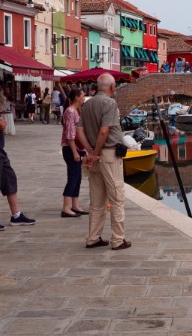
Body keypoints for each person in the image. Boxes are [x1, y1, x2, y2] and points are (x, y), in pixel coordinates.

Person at [77, 73, 131, 250]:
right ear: (112, 87)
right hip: (109, 155)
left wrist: (90, 151)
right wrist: (96, 152)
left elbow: (79, 131)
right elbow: (104, 131)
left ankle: (93, 237)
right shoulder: (110, 103)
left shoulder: (87, 104)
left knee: (97, 200)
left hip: (95, 156)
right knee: (116, 198)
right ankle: (118, 239)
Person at [0, 78, 35, 231]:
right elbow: (0, 124)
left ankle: (16, 215)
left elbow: (1, 123)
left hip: (0, 149)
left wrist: (1, 123)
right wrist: (1, 123)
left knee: (10, 178)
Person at [60, 88, 88, 218]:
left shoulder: (75, 111)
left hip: (77, 148)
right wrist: (75, 152)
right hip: (71, 148)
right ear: (77, 97)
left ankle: (75, 205)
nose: (84, 97)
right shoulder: (71, 112)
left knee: (77, 177)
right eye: (82, 95)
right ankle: (66, 208)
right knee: (73, 177)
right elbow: (70, 134)